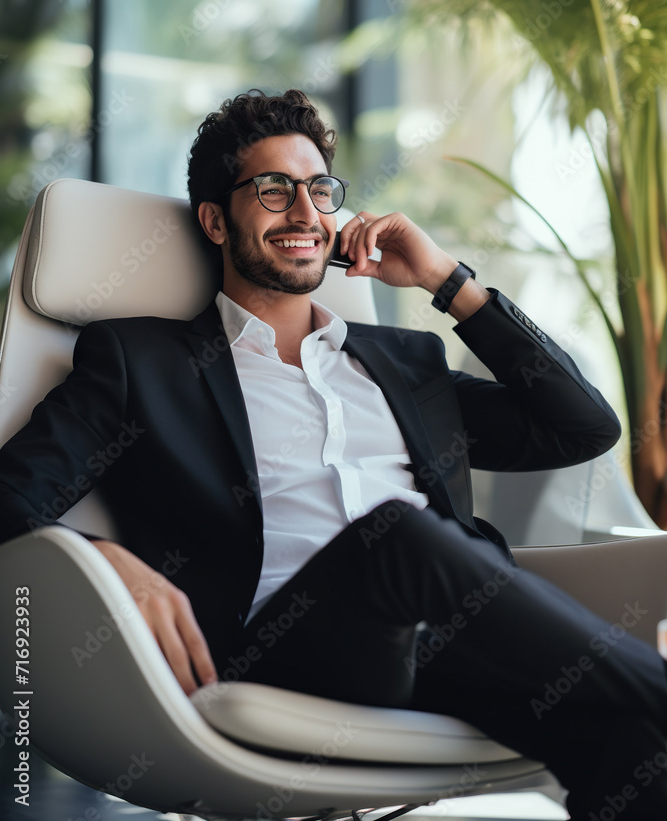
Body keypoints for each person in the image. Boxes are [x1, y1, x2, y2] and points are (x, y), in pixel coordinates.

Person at [1, 88, 666, 819]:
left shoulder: (402, 362)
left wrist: (449, 282)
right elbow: (12, 494)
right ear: (216, 220)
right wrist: (103, 560)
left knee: (633, 747)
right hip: (281, 652)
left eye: (320, 190)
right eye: (273, 190)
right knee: (396, 533)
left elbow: (581, 428)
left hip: (458, 646)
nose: (306, 212)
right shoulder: (143, 363)